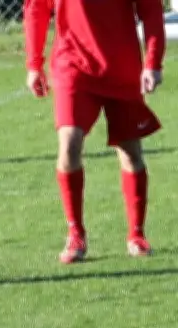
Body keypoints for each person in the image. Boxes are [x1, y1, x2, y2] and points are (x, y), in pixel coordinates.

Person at [23, 0, 166, 263]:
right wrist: (34, 64)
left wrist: (152, 62)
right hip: (72, 63)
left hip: (121, 66)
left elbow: (151, 10)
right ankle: (75, 233)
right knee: (69, 145)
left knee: (130, 151)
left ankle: (136, 234)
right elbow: (37, 9)